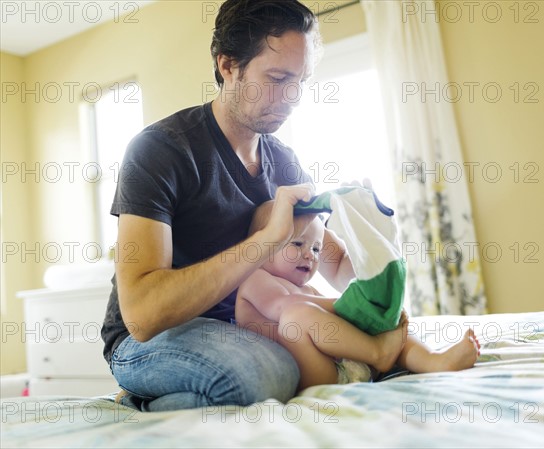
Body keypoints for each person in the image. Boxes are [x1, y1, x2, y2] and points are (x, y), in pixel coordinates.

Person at [101, 0, 356, 412]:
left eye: (301, 81)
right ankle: (138, 398)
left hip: (237, 331)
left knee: (342, 348)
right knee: (270, 374)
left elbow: (333, 260)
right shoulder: (160, 150)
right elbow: (142, 317)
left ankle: (153, 400)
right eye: (277, 78)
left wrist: (378, 261)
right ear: (228, 65)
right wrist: (265, 239)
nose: (292, 97)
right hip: (149, 340)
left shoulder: (285, 162)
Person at [235, 202, 481, 391]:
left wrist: (372, 314)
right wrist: (351, 304)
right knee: (294, 317)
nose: (310, 255)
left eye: (316, 248)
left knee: (387, 326)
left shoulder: (308, 292)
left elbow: (334, 322)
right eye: (298, 244)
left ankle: (434, 360)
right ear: (263, 247)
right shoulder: (253, 278)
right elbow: (283, 306)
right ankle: (379, 352)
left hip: (352, 364)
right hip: (319, 374)